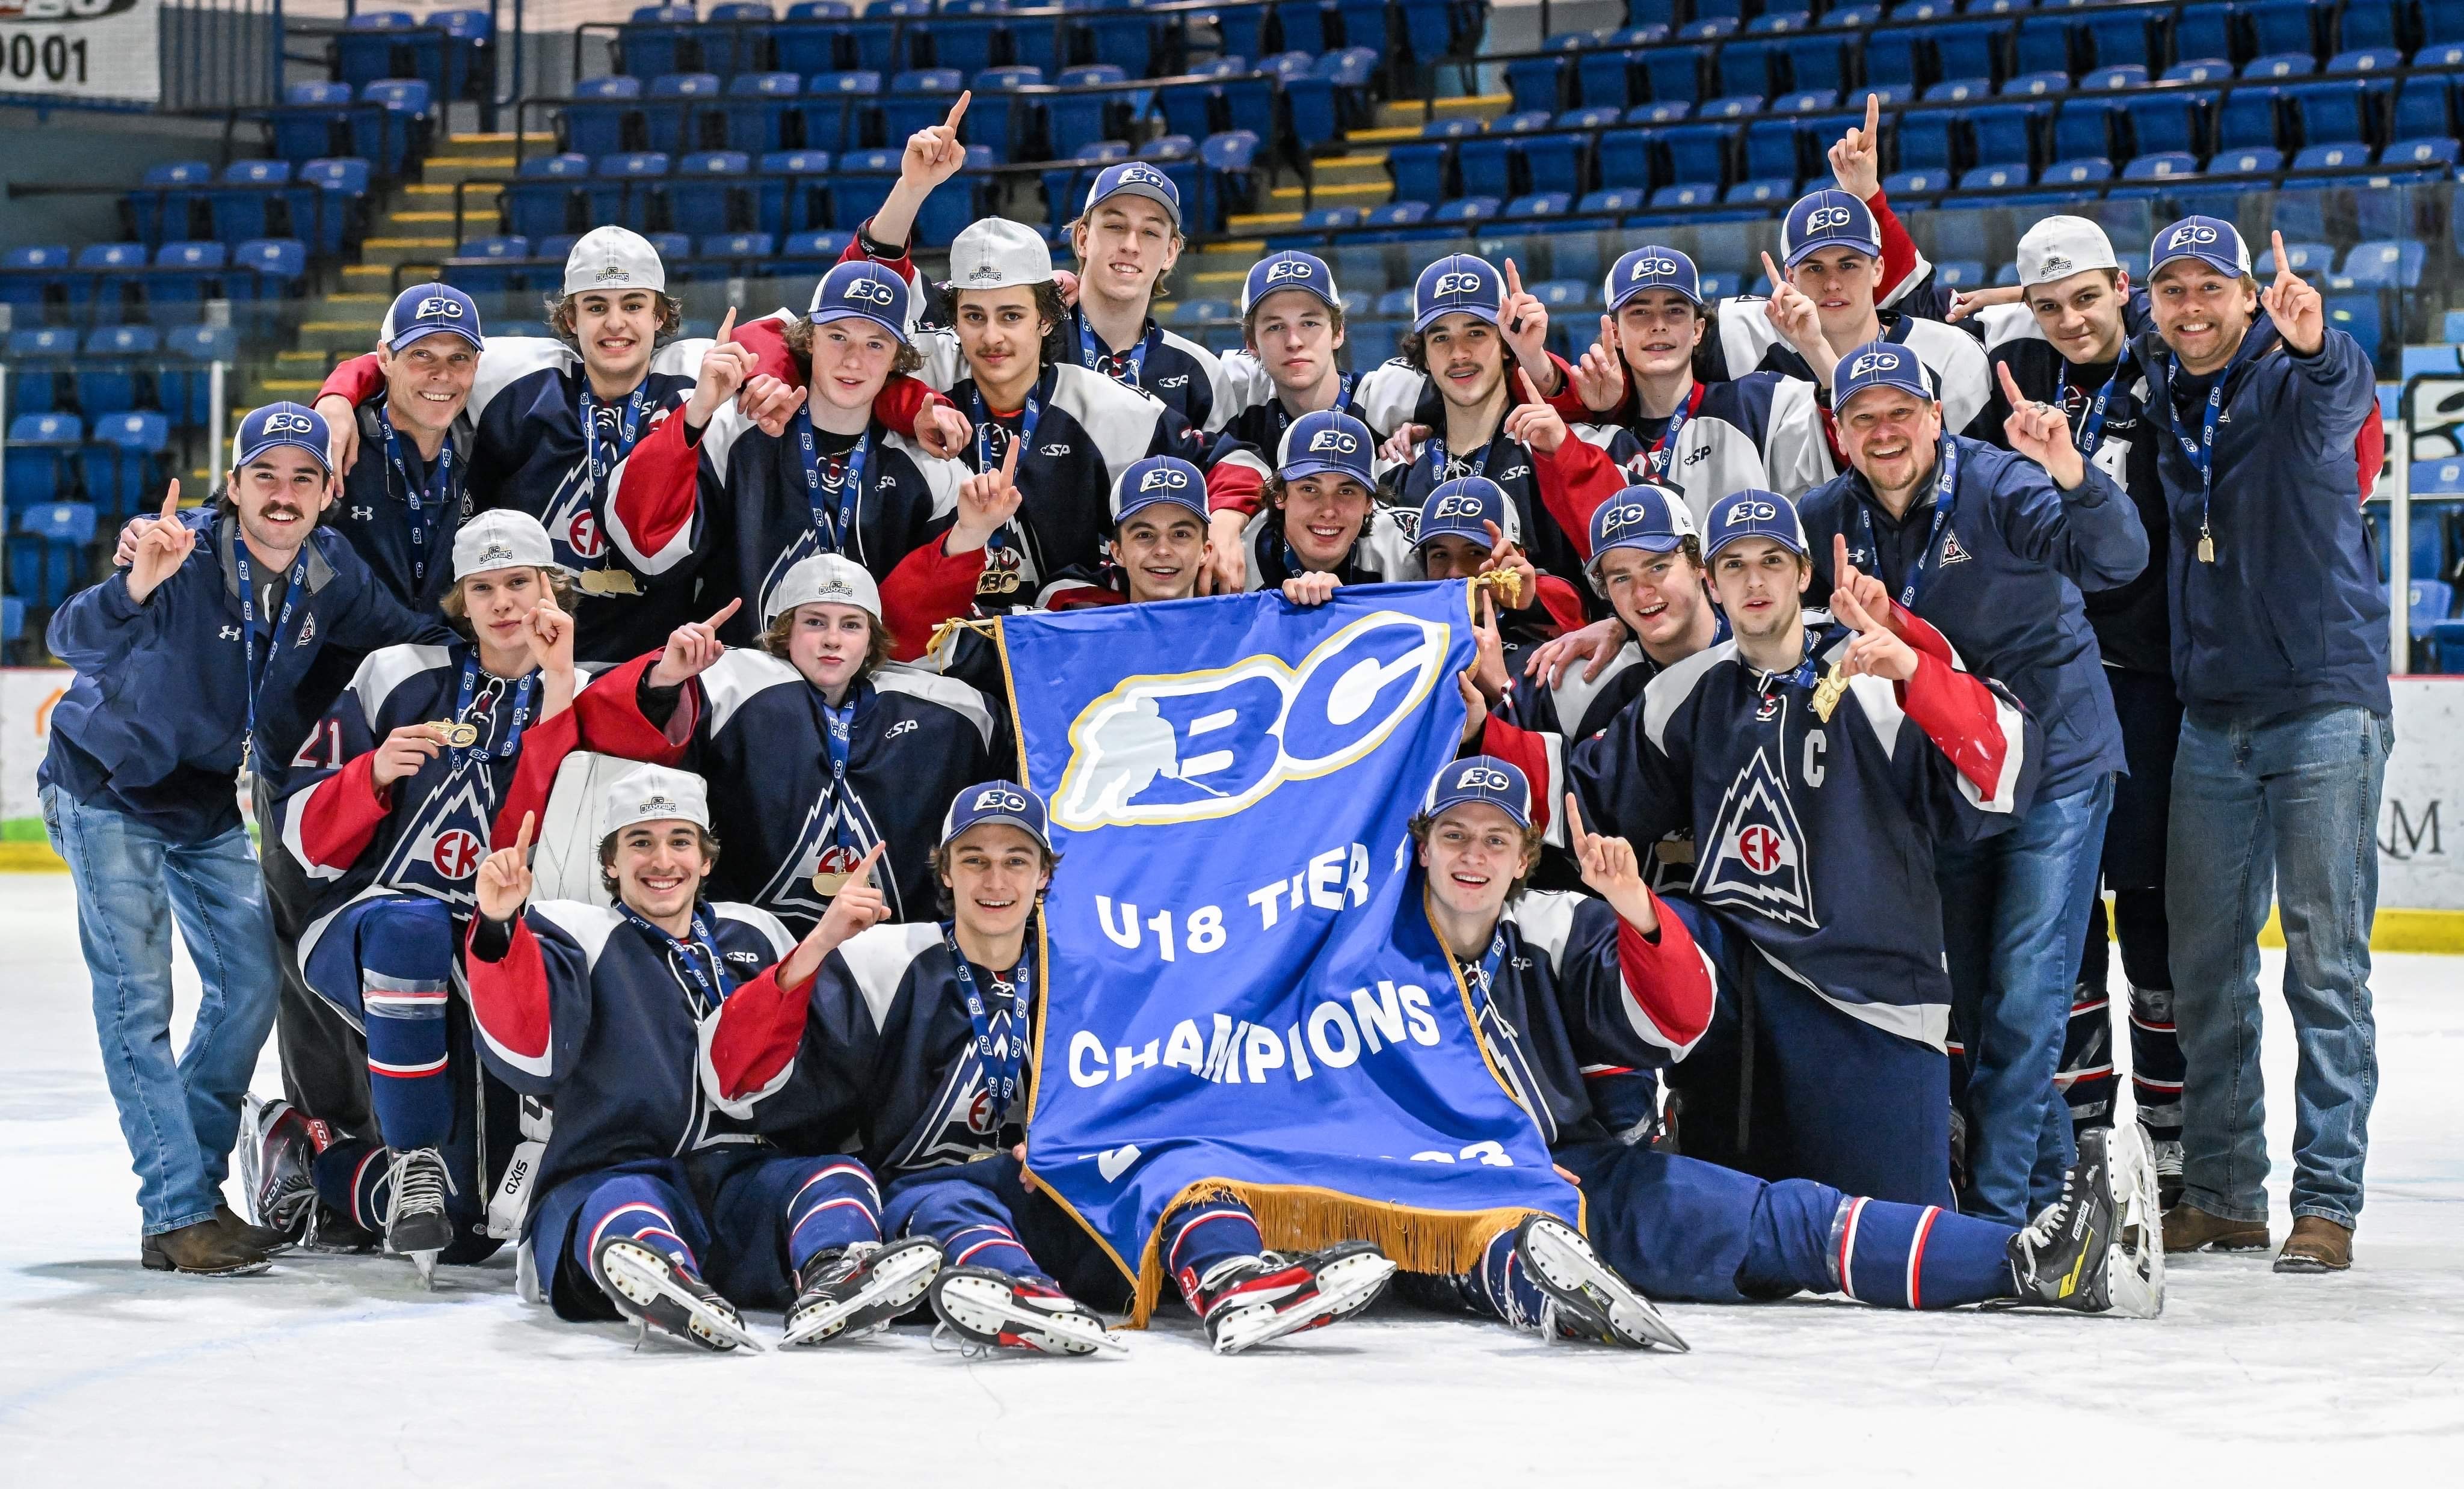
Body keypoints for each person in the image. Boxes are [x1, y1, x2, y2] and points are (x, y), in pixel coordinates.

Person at [1395, 757, 2161, 1328]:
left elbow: (1673, 1022)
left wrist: (1640, 914)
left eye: (1496, 840)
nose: (1473, 856)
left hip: (1577, 1178)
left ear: (1524, 859)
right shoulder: (1366, 950)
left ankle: (2043, 1265)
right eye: (1454, 835)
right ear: (1420, 846)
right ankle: (1486, 1272)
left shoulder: (1554, 924)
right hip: (1433, 1190)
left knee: (1793, 1219)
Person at [1515, 489, 2041, 1205]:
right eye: (1734, 564)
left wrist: (1918, 675)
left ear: (1803, 574)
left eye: (1772, 561)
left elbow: (2004, 770)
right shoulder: (1687, 691)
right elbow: (1585, 799)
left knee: (1900, 1244)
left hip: (1870, 1001)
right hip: (1743, 1006)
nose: (1753, 581)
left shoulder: (1871, 671)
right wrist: (1483, 718)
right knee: (1639, 924)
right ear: (1713, 581)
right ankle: (1619, 1136)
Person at [40, 405, 443, 1276]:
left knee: (252, 984)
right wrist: (135, 585)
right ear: (235, 486)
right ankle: (182, 1211)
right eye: (266, 475)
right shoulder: (177, 550)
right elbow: (69, 637)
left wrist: (528, 655)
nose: (284, 494)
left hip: (206, 803)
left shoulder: (332, 574)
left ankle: (183, 1199)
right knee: (137, 999)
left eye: (304, 477)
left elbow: (420, 642)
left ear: (331, 491)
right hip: (103, 788)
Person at [263, 512, 691, 1277]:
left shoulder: (587, 689)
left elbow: (543, 829)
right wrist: (372, 774)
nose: (502, 604)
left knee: (461, 1228)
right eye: (483, 588)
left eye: (519, 583)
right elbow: (300, 832)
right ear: (462, 599)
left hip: (497, 948)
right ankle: (416, 1155)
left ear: (551, 587)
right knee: (413, 924)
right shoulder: (398, 673)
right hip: (371, 926)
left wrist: (559, 690)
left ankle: (305, 1152)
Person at [1797, 340, 2148, 1229]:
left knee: (2030, 998)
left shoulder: (2002, 484)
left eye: (1901, 414)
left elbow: (2117, 561)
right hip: (1954, 774)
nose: (1885, 432)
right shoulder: (1829, 515)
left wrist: (2069, 469)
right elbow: (1744, 592)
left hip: (2057, 764)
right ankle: (2052, 1203)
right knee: (1983, 1008)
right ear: (1841, 435)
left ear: (1937, 417)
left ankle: (1991, 1224)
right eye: (1864, 419)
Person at [464, 767, 943, 1350]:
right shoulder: (575, 931)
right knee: (623, 1204)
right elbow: (526, 1047)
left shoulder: (758, 932)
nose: (662, 860)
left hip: (743, 1184)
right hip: (612, 1171)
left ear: (706, 858)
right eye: (640, 842)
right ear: (611, 863)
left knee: (836, 1175)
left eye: (680, 841)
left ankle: (837, 1274)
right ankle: (659, 1273)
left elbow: (807, 1064)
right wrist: (497, 926)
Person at [2133, 219, 2391, 1273]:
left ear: (2250, 296)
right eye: (2172, 291)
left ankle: (2324, 1203)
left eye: (2212, 289)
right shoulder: (2165, 381)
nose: (2191, 309)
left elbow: (2342, 392)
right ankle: (2230, 1195)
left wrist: (2317, 341)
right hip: (2212, 713)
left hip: (2320, 700)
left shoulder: (2295, 377)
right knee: (2204, 968)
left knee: (2324, 965)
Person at [1968, 216, 2187, 1201]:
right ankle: (2090, 1146)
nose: (2069, 321)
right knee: (2065, 943)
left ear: (2122, 289)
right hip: (2040, 690)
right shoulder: (2009, 369)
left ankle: (2175, 1154)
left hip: (2147, 685)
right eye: (2048, 305)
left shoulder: (2166, 369)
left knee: (2151, 927)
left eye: (2085, 300)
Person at [585, 552, 995, 932]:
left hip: (886, 943)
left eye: (851, 625)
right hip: (744, 940)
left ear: (872, 638)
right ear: (784, 631)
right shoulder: (729, 683)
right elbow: (624, 742)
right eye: (815, 622)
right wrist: (664, 682)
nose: (832, 640)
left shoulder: (944, 708)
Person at [1377, 253, 1648, 586]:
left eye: (1475, 334)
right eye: (1441, 337)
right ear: (1424, 354)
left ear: (1508, 344)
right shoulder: (1395, 470)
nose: (1459, 353)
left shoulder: (1587, 445)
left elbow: (1646, 562)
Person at [1551, 247, 1837, 514]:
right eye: (1640, 312)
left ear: (1698, 330)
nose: (1659, 325)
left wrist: (1815, 347)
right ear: (1615, 333)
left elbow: (1853, 447)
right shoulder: (1598, 441)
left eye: (1675, 311)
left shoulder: (1759, 403)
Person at [1716, 189, 1993, 437]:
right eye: (1815, 268)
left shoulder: (1951, 354)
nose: (1832, 283)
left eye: (1848, 266)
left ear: (1878, 270)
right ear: (1790, 277)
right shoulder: (1759, 348)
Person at [1062, 157, 1231, 429]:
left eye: (1150, 232)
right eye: (1116, 226)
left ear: (1170, 253)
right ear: (1083, 239)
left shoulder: (1200, 371)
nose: (1131, 246)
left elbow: (1230, 463)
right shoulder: (1030, 347)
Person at [1234, 409, 1416, 598]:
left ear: (1369, 502)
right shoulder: (1236, 562)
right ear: (1280, 495)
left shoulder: (1405, 550)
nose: (1328, 511)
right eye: (1310, 489)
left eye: (1346, 492)